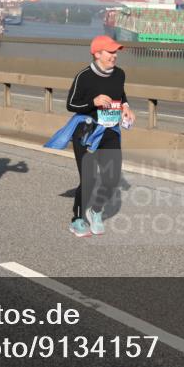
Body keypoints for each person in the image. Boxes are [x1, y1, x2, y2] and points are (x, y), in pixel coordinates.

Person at [52, 35, 134, 237]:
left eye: (116, 52)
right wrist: (93, 101)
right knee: (89, 178)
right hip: (86, 133)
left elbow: (120, 95)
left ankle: (95, 210)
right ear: (97, 54)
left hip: (110, 131)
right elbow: (71, 104)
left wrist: (126, 107)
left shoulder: (119, 74)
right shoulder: (84, 76)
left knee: (112, 178)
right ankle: (77, 220)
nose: (114, 56)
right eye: (110, 52)